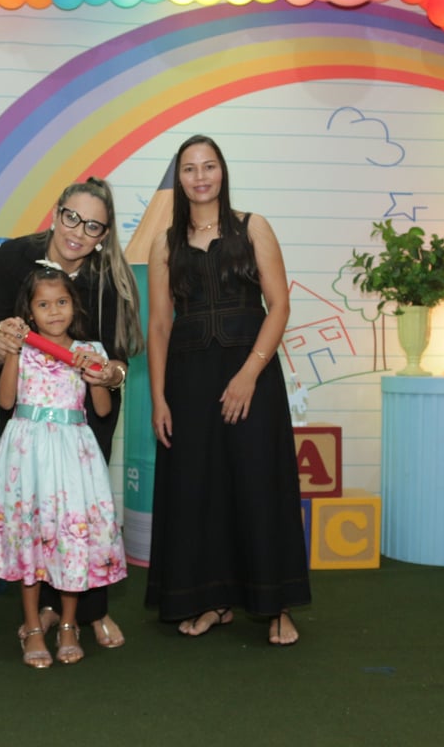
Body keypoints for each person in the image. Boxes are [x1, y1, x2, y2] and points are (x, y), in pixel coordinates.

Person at [145, 135, 311, 645]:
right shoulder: (164, 243)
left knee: (260, 485)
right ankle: (212, 602)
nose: (200, 177)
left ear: (222, 171)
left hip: (251, 378)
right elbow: (159, 326)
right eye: (190, 168)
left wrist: (248, 374)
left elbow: (279, 306)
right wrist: (158, 399)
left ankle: (276, 606)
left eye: (209, 166)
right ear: (179, 178)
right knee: (199, 491)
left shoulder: (253, 227)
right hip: (189, 383)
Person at [0, 177, 144, 648]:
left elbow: (118, 362)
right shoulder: (13, 257)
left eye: (93, 226)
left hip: (84, 414)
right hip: (28, 409)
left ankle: (91, 610)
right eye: (72, 217)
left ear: (105, 234)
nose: (78, 232)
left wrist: (107, 375)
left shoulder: (110, 278)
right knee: (36, 508)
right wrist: (2, 346)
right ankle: (44, 610)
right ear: (56, 213)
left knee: (80, 509)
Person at [0, 265, 127, 667]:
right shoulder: (23, 351)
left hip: (73, 455)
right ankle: (33, 626)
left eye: (62, 302)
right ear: (29, 312)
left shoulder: (90, 349)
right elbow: (6, 402)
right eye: (43, 304)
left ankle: (69, 624)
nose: (54, 311)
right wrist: (13, 354)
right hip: (28, 454)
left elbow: (102, 410)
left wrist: (95, 375)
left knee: (70, 537)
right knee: (30, 537)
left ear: (74, 306)